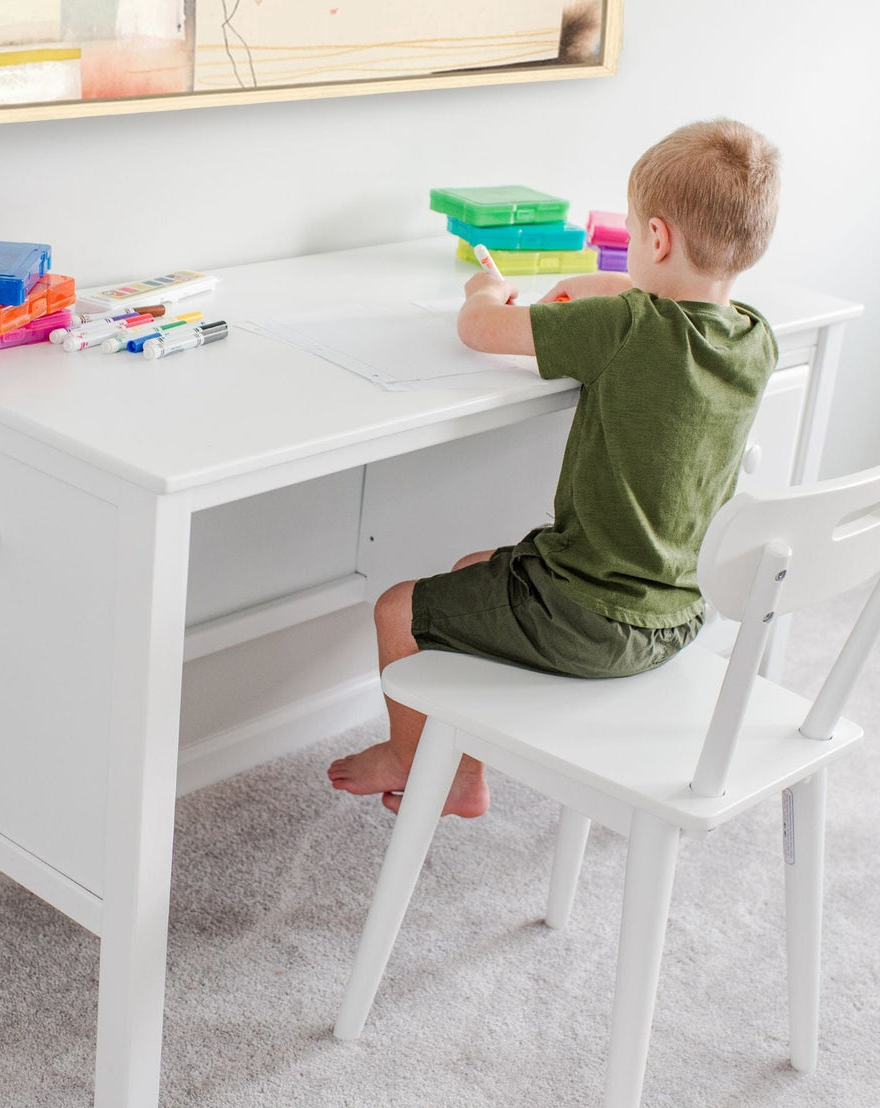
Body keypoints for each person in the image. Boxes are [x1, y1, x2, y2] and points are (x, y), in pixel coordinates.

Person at [329, 118, 781, 818]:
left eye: (633, 235)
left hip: (591, 620)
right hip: (681, 613)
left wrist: (483, 291)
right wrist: (607, 285)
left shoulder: (624, 332)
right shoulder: (755, 338)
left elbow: (480, 332)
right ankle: (468, 770)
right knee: (474, 569)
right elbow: (657, 310)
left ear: (656, 239)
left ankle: (419, 763)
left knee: (400, 608)